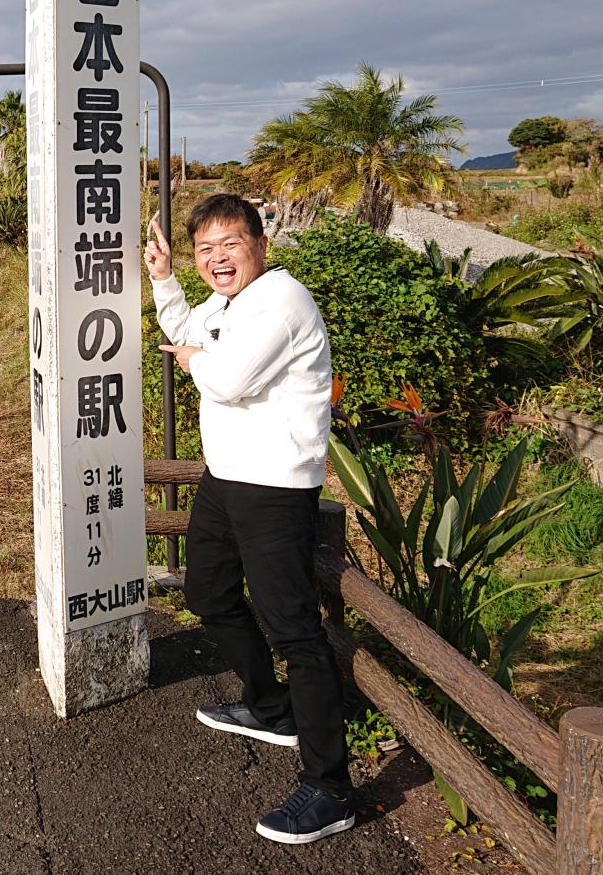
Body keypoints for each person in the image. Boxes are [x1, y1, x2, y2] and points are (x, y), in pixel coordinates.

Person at [144, 192, 355, 845]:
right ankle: (270, 708)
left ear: (260, 244)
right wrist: (162, 279)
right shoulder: (229, 302)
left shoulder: (282, 299)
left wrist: (193, 360)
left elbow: (226, 378)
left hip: (273, 487)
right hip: (225, 479)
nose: (216, 258)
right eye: (204, 249)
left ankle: (330, 787)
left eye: (228, 243)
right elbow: (188, 332)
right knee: (207, 593)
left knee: (295, 631)